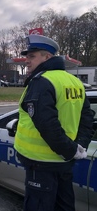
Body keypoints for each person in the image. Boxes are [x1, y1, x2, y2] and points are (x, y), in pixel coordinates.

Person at [14, 34, 94, 211]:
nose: (27, 60)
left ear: (47, 57)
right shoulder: (75, 82)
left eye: (32, 56)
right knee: (64, 205)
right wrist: (79, 146)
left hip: (41, 163)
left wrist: (70, 150)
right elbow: (87, 118)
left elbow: (47, 125)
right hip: (64, 162)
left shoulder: (41, 81)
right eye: (27, 56)